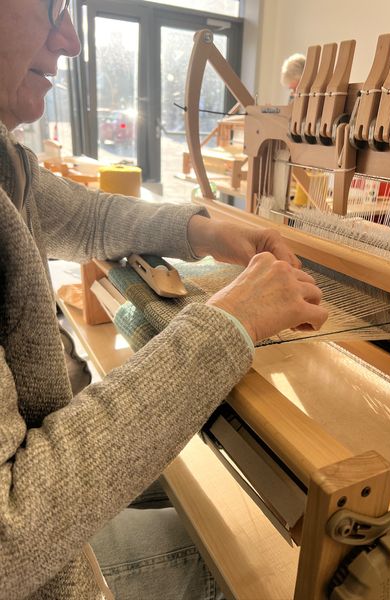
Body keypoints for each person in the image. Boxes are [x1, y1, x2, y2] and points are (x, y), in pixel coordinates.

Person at [0, 2, 328, 599]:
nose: (71, 40)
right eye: (51, 5)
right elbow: (11, 539)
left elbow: (79, 213)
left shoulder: (4, 162)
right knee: (262, 564)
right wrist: (228, 321)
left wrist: (201, 231)